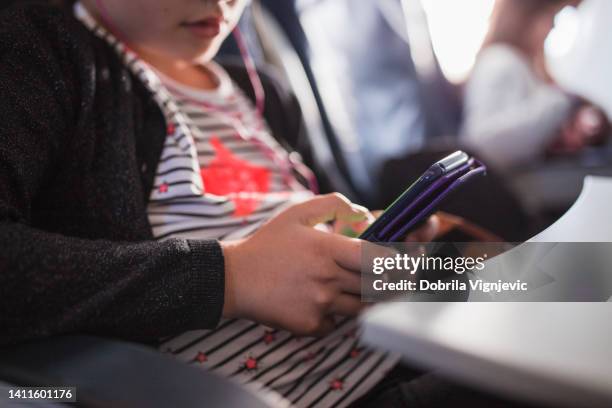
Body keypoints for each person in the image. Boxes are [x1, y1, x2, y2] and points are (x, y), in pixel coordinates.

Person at [0, 0, 447, 406]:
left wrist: (365, 239)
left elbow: (328, 221)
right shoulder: (39, 49)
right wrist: (231, 276)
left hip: (397, 352)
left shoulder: (267, 96)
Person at [460, 0, 608, 171]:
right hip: (513, 184)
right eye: (551, 15)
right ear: (525, 17)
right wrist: (558, 102)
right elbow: (483, 143)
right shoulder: (500, 60)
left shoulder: (525, 66)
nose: (553, 26)